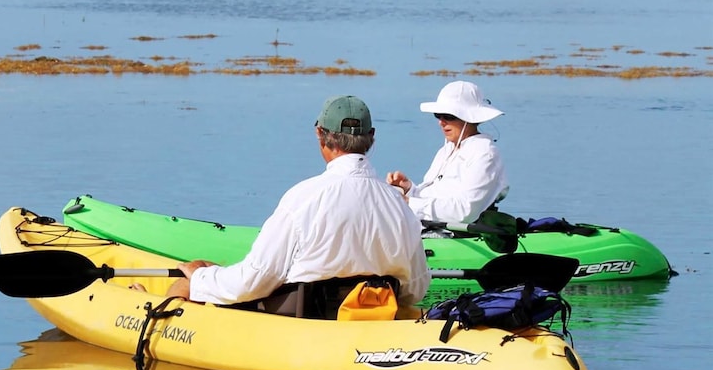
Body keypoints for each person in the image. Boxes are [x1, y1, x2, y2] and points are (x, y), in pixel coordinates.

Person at [164, 95, 430, 309]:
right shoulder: (400, 205)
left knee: (188, 285)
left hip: (302, 326)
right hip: (371, 322)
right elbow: (416, 288)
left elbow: (255, 280)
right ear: (371, 137)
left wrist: (201, 276)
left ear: (320, 134)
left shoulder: (303, 198)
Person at [386, 80, 508, 225]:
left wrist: (409, 203)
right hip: (430, 228)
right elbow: (435, 198)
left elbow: (466, 212)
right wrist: (410, 190)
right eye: (438, 115)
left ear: (470, 118)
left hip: (459, 235)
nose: (441, 122)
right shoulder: (446, 150)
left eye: (449, 116)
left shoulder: (485, 153)